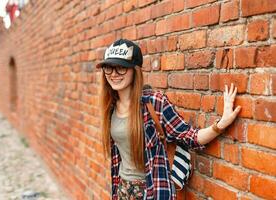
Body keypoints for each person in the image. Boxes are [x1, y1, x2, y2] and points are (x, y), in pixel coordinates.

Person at [96, 39, 241, 200]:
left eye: (121, 68)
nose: (114, 74)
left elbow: (190, 136)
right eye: (108, 68)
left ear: (134, 70)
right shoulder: (110, 107)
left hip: (151, 191)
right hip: (123, 189)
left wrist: (222, 123)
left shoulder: (154, 102)